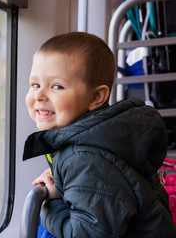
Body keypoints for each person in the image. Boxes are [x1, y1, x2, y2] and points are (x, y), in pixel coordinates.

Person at [22, 32, 176, 238]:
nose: (39, 95)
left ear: (96, 97)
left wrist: (51, 205)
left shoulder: (88, 160)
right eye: (35, 85)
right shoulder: (93, 141)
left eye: (56, 86)